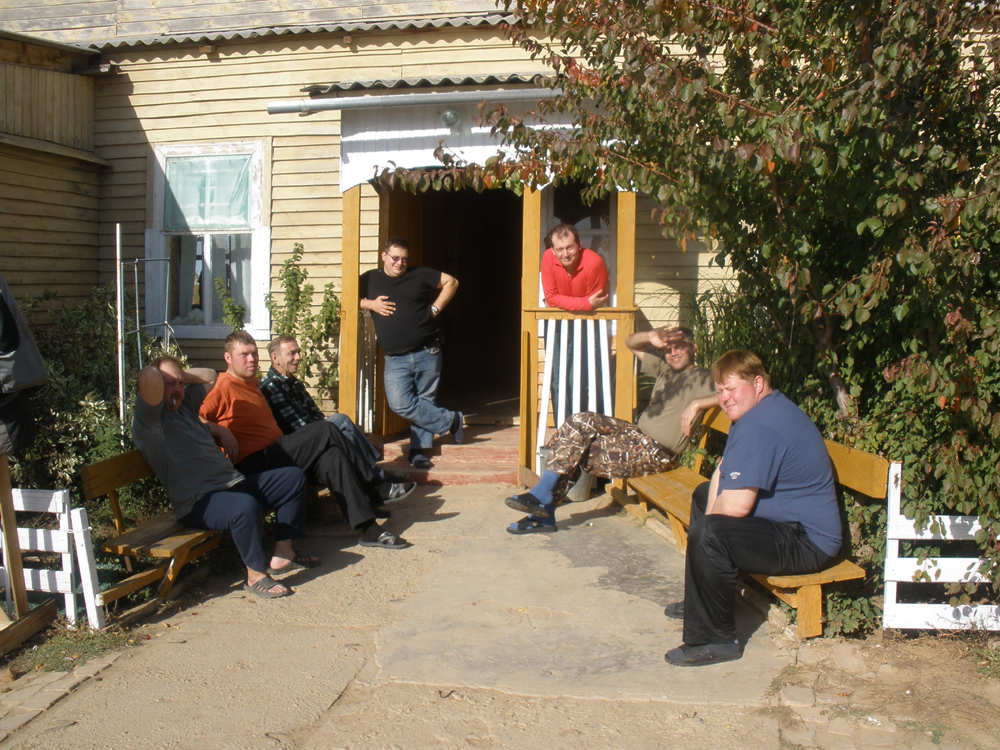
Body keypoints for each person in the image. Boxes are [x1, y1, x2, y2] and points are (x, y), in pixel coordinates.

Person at [663, 351, 843, 667]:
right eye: (719, 391)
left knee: (711, 532)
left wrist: (706, 536)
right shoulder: (759, 410)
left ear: (758, 383)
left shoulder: (760, 425)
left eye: (731, 389)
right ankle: (705, 599)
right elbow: (722, 471)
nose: (724, 398)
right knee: (704, 497)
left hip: (808, 541)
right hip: (787, 524)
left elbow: (735, 508)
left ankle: (715, 640)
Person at [199, 331, 411, 550]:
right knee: (326, 429)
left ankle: (370, 530)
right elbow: (193, 418)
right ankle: (375, 483)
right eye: (244, 355)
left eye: (254, 353)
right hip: (253, 463)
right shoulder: (221, 386)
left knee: (332, 458)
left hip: (275, 456)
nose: (251, 359)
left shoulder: (252, 382)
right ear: (228, 358)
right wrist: (219, 430)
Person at [131, 355, 314, 599]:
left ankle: (283, 554)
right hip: (198, 501)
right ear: (156, 386)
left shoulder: (185, 407)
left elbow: (210, 375)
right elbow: (147, 376)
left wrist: (179, 375)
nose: (177, 389)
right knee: (244, 507)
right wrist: (166, 374)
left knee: (292, 478)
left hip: (232, 485)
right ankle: (255, 575)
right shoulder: (151, 422)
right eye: (169, 384)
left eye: (180, 383)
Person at [505, 326, 718, 533]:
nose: (673, 353)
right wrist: (650, 335)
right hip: (636, 435)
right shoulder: (665, 369)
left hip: (656, 452)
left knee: (579, 450)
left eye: (679, 346)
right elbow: (630, 342)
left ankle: (543, 507)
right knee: (579, 421)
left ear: (694, 347)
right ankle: (543, 498)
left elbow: (733, 393)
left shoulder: (704, 378)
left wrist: (697, 404)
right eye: (668, 348)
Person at [260, 335, 410, 498]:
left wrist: (324, 429)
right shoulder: (272, 387)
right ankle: (377, 477)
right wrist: (325, 430)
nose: (298, 357)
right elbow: (299, 427)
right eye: (292, 353)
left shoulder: (295, 383)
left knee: (344, 431)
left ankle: (374, 482)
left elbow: (316, 414)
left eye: (298, 352)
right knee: (341, 423)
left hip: (312, 433)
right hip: (296, 446)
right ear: (275, 358)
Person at [360, 237, 463, 469]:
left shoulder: (419, 274)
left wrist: (435, 309)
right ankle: (451, 420)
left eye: (404, 259)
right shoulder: (370, 278)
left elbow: (452, 282)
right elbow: (345, 298)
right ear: (384, 256)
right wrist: (370, 304)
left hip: (428, 350)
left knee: (425, 399)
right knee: (400, 404)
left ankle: (419, 451)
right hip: (395, 357)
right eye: (395, 258)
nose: (400, 263)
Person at [540, 223, 610, 419]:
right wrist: (585, 303)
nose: (565, 254)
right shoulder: (547, 258)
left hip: (587, 323)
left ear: (579, 245)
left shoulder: (594, 262)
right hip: (557, 323)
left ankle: (588, 426)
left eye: (569, 247)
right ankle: (563, 427)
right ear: (553, 249)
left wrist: (582, 304)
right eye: (560, 249)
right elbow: (551, 299)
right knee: (557, 377)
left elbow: (595, 303)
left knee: (585, 376)